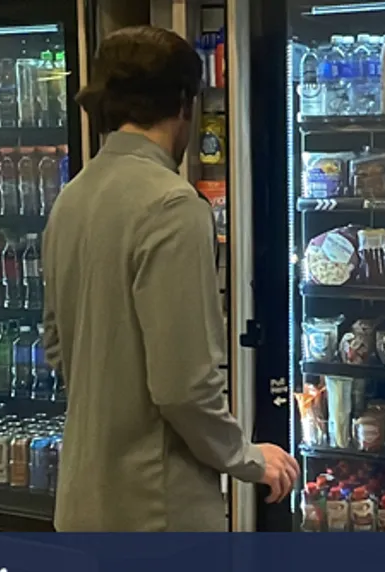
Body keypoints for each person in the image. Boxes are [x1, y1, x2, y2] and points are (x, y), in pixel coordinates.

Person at [42, 25, 299, 534]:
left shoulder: (72, 197)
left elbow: (56, 345)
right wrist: (247, 457)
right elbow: (183, 385)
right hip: (157, 514)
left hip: (82, 503)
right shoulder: (173, 204)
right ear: (185, 103)